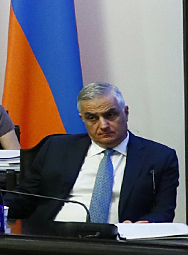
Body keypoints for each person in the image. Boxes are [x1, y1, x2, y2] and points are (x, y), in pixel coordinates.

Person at [15, 82, 179, 224]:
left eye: (110, 115)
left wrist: (145, 225)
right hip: (54, 238)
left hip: (119, 242)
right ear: (82, 119)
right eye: (92, 118)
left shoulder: (159, 157)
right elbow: (23, 198)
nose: (103, 125)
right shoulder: (56, 148)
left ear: (126, 112)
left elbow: (163, 211)